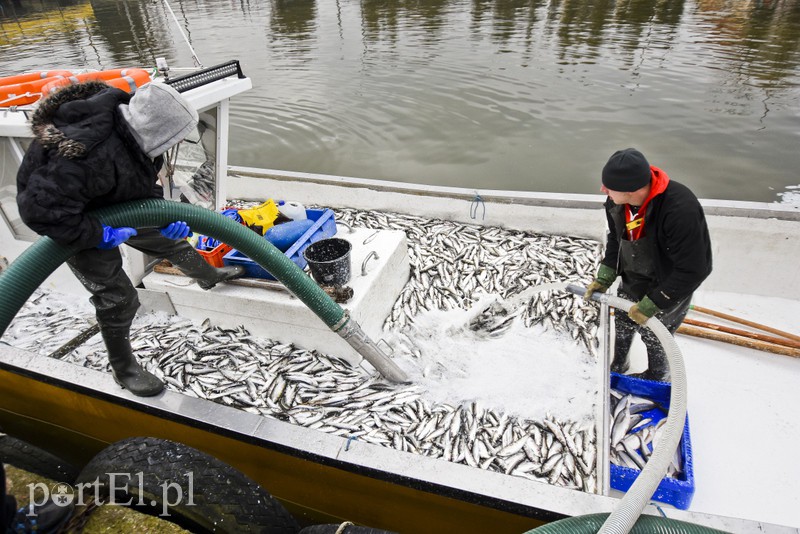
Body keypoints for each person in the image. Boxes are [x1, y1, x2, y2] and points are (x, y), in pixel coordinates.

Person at [16, 80, 244, 397]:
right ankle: (123, 369)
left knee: (168, 240)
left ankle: (206, 275)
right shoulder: (87, 154)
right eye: (172, 138)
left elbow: (138, 179)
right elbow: (40, 211)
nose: (173, 146)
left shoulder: (135, 134)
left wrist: (165, 218)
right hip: (69, 219)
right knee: (118, 298)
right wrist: (99, 234)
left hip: (104, 197)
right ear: (156, 130)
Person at [584, 148, 712, 381]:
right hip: (635, 272)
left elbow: (696, 268)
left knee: (655, 333)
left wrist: (655, 301)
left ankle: (657, 376)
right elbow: (616, 238)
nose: (603, 190)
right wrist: (606, 273)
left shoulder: (680, 209)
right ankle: (619, 365)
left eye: (608, 186)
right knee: (623, 322)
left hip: (670, 281)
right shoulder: (616, 200)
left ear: (631, 190)